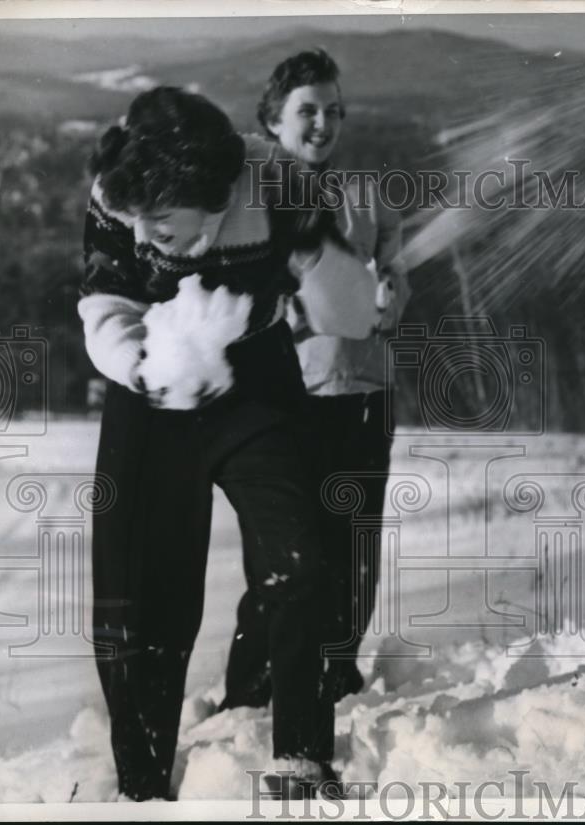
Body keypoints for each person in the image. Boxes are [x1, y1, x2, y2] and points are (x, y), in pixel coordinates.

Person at [79, 86, 340, 800]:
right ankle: (141, 782)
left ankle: (301, 759)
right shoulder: (117, 191)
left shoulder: (275, 185)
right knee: (138, 593)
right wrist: (140, 365)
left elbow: (332, 284)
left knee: (300, 561)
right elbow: (105, 300)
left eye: (162, 225)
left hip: (254, 377)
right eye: (139, 222)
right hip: (151, 382)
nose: (148, 235)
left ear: (215, 194)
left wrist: (337, 278)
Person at [221, 49, 410, 713]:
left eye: (334, 110)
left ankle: (334, 682)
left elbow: (397, 281)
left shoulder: (367, 194)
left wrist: (389, 295)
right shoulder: (252, 198)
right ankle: (249, 695)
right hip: (284, 402)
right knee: (284, 556)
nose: (324, 123)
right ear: (273, 120)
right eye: (308, 111)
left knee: (352, 551)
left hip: (363, 397)